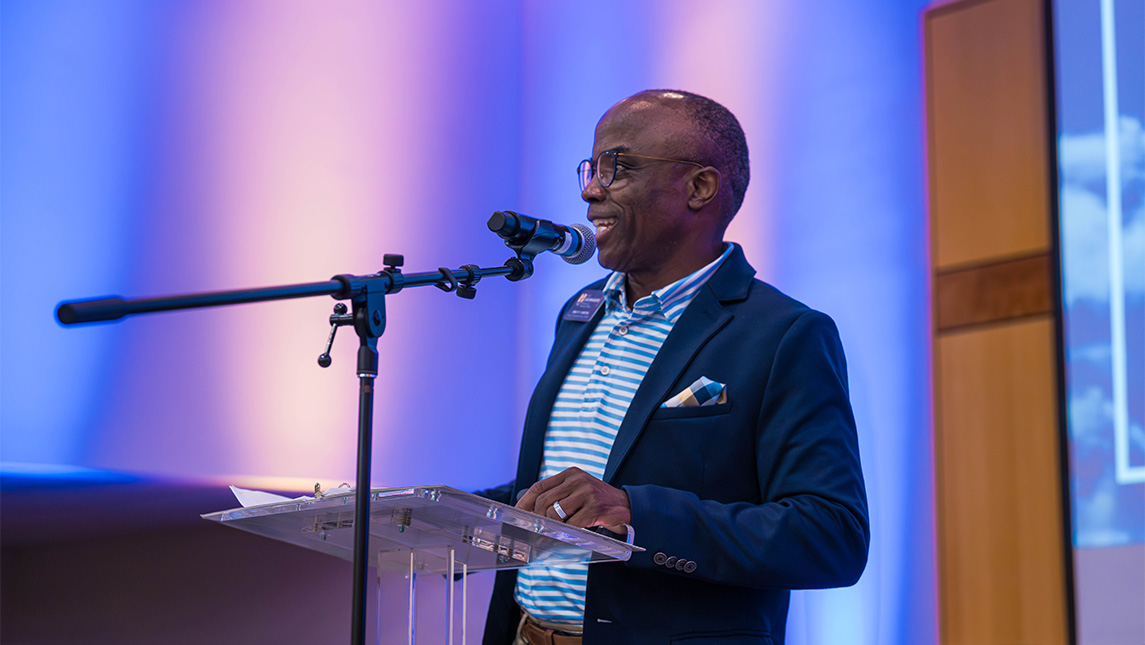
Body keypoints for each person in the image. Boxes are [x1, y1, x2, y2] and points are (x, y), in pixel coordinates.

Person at [479, 89, 869, 644]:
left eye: (618, 167)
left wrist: (638, 513)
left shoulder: (784, 334)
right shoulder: (580, 312)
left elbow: (831, 536)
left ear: (699, 187)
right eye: (592, 167)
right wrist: (435, 509)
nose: (591, 190)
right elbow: (563, 488)